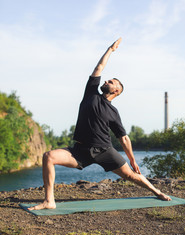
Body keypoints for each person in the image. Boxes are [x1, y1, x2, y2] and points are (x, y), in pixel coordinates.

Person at [28, 38, 171, 211]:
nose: (106, 81)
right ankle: (49, 201)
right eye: (107, 80)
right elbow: (99, 68)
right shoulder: (91, 94)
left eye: (111, 82)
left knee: (132, 176)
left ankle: (157, 192)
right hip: (80, 151)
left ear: (116, 91)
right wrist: (110, 49)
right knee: (48, 156)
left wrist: (133, 160)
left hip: (105, 151)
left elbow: (124, 138)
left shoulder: (113, 112)